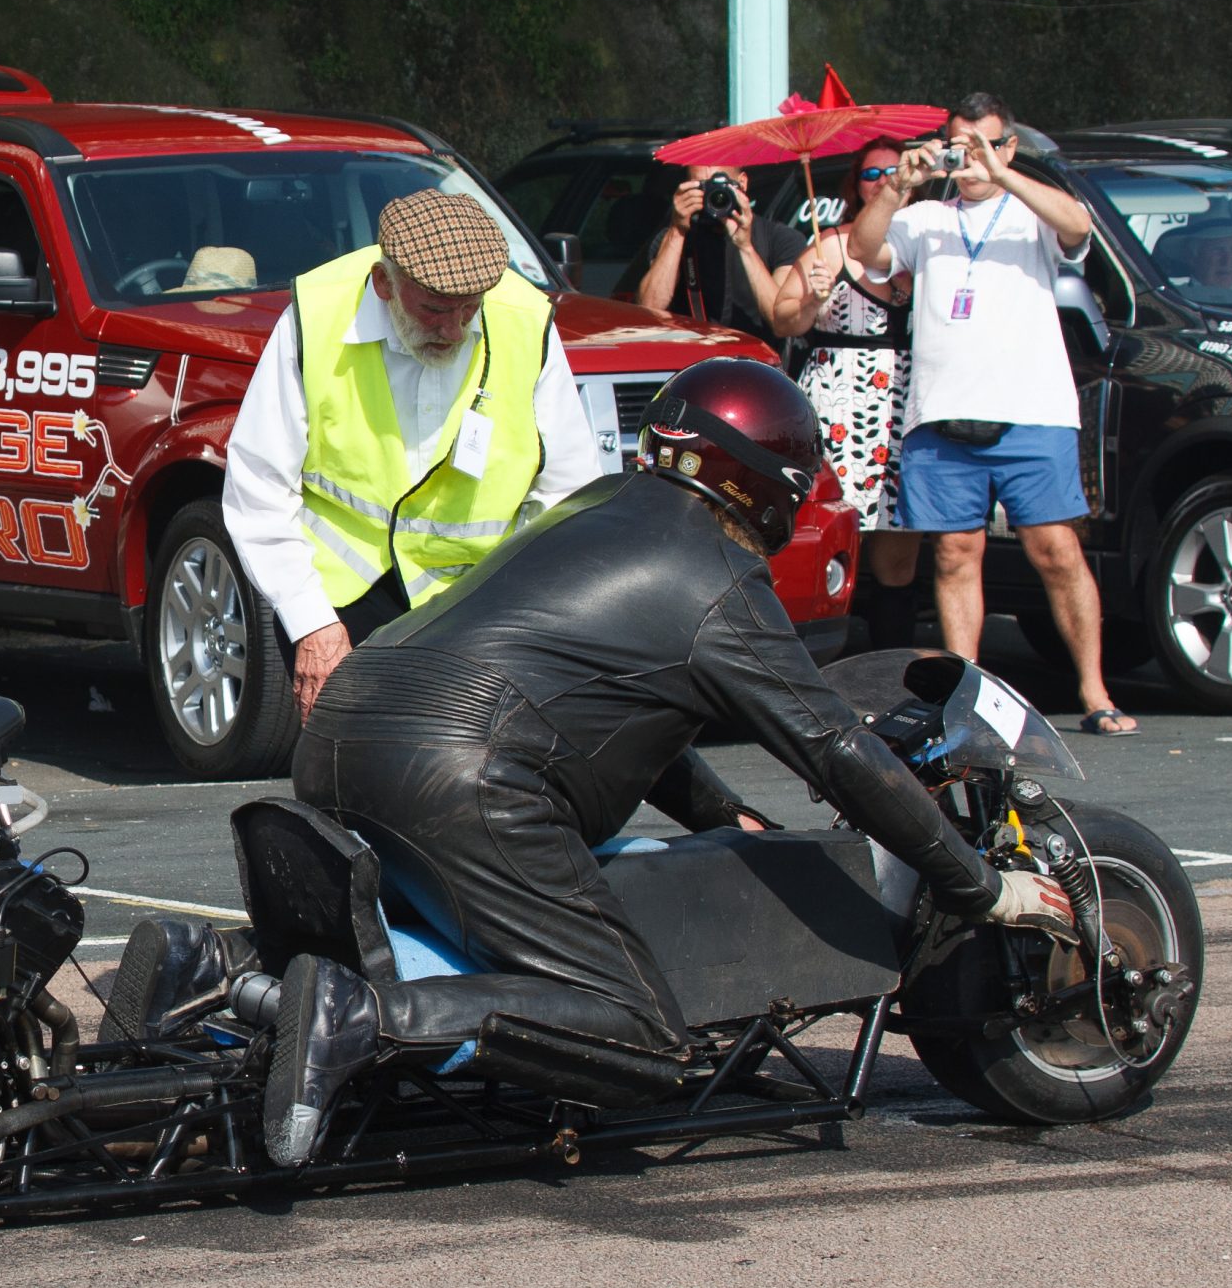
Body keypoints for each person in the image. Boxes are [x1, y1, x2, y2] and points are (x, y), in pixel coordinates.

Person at [215, 359, 1080, 1165]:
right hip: (461, 771)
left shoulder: (595, 505)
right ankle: (364, 1015)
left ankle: (216, 968)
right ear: (770, 484)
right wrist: (977, 883)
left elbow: (610, 702)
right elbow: (838, 750)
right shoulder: (719, 577)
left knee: (449, 920)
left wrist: (719, 816)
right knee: (635, 1026)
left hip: (344, 728)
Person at [224, 189, 603, 718]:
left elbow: (566, 492)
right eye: (434, 309)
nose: (453, 329)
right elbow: (258, 485)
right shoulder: (316, 316)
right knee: (356, 770)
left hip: (482, 593)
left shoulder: (523, 318)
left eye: (470, 309)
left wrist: (532, 615)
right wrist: (310, 622)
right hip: (345, 595)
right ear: (384, 283)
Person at [847, 93, 1136, 737]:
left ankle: (1094, 688)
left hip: (1031, 408)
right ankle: (968, 696)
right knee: (954, 553)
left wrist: (1001, 174)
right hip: (942, 412)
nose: (970, 156)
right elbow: (865, 253)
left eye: (985, 143)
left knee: (1056, 550)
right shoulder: (924, 217)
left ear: (1007, 147)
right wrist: (897, 184)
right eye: (960, 143)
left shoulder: (1027, 210)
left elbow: (1079, 226)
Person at [769, 140, 923, 648]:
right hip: (841, 404)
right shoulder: (831, 245)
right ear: (855, 184)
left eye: (895, 170)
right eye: (871, 172)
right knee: (840, 532)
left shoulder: (930, 239)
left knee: (899, 551)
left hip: (906, 406)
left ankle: (893, 668)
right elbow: (783, 318)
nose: (883, 180)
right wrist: (811, 299)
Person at [635, 161, 810, 339]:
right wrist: (677, 230)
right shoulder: (675, 239)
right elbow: (649, 312)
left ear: (742, 183)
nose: (714, 195)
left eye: (720, 186)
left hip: (758, 363)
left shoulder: (781, 239)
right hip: (697, 362)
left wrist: (745, 247)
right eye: (702, 188)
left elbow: (781, 321)